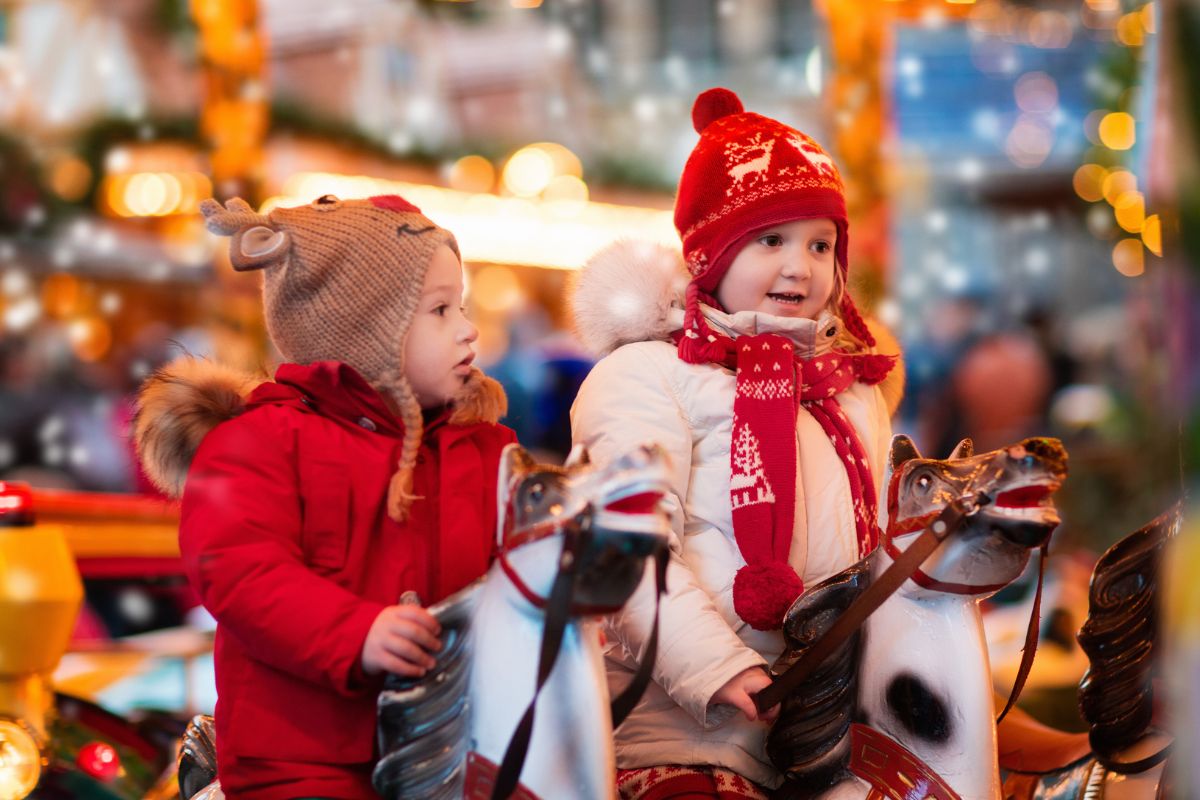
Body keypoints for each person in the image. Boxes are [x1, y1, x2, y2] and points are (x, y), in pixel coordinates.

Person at [569, 88, 904, 798]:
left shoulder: (850, 392)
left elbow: (876, 543)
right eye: (771, 241)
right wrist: (716, 668)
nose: (800, 267)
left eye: (820, 244)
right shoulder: (648, 375)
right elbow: (624, 550)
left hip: (832, 715)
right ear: (709, 258)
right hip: (684, 724)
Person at [134, 194, 514, 799]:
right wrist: (355, 633)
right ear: (366, 331)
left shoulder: (482, 448)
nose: (468, 329)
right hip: (305, 758)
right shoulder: (262, 441)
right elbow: (240, 571)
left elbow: (523, 562)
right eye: (440, 310)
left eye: (460, 305)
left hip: (454, 742)